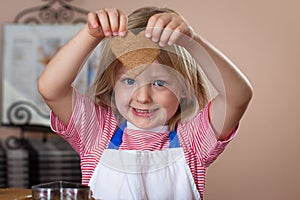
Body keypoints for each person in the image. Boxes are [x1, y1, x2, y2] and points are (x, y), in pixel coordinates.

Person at [38, 6, 253, 200]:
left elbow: (238, 97)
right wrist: (91, 35)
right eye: (129, 80)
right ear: (113, 85)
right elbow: (51, 89)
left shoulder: (192, 142)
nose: (143, 97)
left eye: (159, 83)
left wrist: (192, 41)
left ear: (185, 89)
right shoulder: (97, 133)